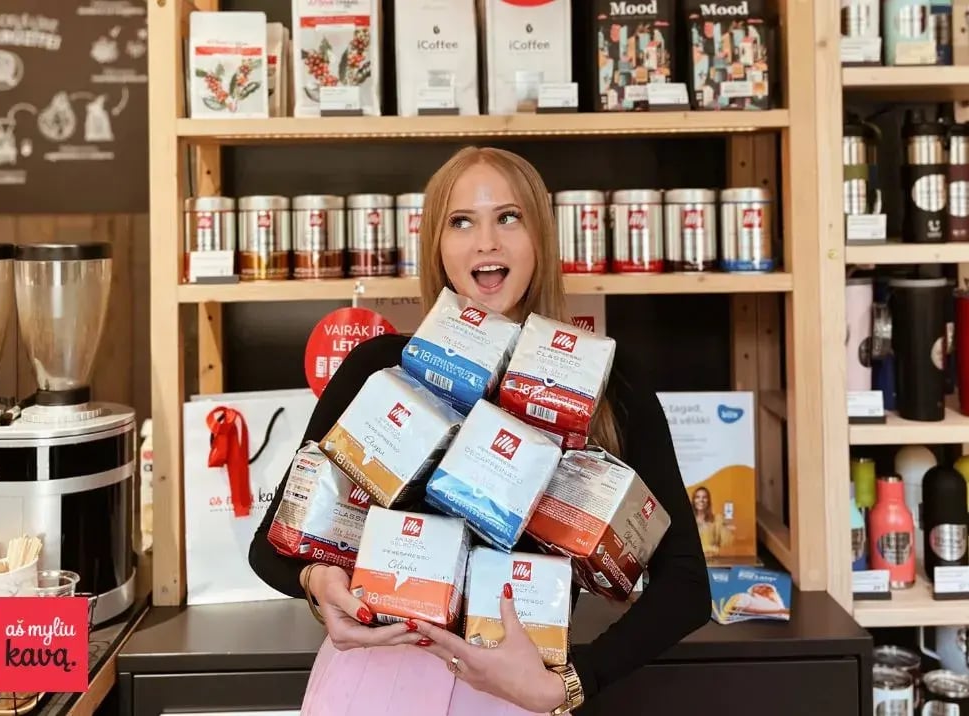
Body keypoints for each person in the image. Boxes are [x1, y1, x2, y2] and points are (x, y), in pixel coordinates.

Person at [249, 146, 711, 715]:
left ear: (540, 235)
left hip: (513, 698)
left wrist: (570, 683)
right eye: (461, 221)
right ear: (437, 247)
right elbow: (270, 548)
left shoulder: (606, 384)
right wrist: (320, 585)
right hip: (371, 684)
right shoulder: (380, 369)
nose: (486, 241)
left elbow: (687, 586)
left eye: (508, 217)